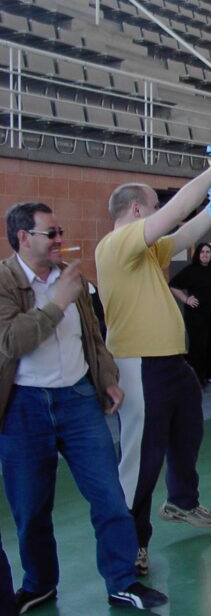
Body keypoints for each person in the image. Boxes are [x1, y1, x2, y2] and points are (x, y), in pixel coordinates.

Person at [0, 202, 167, 612]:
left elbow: (93, 338)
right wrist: (55, 303)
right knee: (31, 507)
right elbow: (10, 342)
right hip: (24, 408)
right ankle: (40, 584)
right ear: (23, 237)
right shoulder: (4, 281)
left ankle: (122, 579)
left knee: (109, 497)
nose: (60, 240)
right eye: (50, 233)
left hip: (77, 400)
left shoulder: (74, 279)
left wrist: (106, 378)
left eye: (60, 231)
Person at [95, 166, 211, 578]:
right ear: (137, 209)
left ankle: (182, 500)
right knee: (140, 460)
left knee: (188, 431)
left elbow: (185, 233)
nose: (162, 212)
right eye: (154, 206)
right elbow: (176, 214)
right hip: (140, 363)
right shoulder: (117, 243)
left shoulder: (146, 251)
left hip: (171, 363)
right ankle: (131, 542)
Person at [169, 243, 211, 386]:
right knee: (199, 346)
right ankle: (198, 378)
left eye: (208, 252)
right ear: (198, 254)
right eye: (202, 252)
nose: (205, 254)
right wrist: (186, 299)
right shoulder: (190, 271)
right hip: (197, 316)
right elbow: (172, 285)